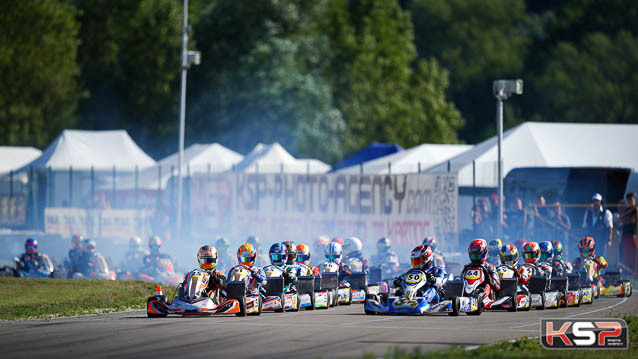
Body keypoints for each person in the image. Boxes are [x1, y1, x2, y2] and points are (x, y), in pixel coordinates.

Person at [581, 193, 613, 258]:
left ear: (601, 202)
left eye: (597, 201)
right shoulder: (588, 212)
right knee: (590, 259)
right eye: (594, 201)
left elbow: (610, 227)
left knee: (601, 259)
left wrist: (609, 240)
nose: (595, 203)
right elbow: (584, 227)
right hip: (590, 242)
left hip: (602, 240)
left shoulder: (606, 212)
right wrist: (583, 240)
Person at [619, 192, 637, 271]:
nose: (630, 201)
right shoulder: (627, 210)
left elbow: (631, 220)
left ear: (634, 199)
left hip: (634, 234)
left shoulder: (635, 210)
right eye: (629, 199)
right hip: (626, 234)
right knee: (627, 254)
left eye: (631, 199)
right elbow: (623, 220)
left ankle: (634, 271)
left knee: (634, 254)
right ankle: (628, 270)